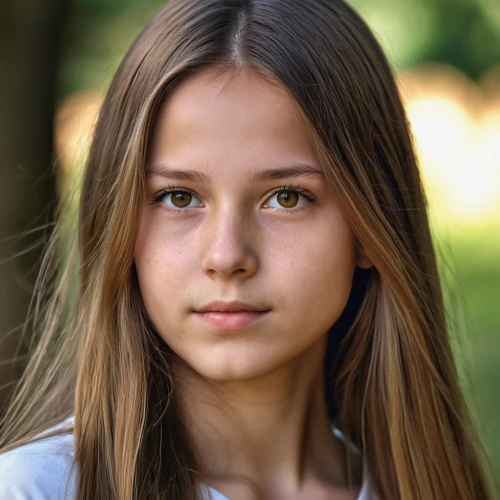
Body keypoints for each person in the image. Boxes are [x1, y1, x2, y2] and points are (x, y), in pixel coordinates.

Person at [0, 0, 496, 499]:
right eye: (179, 198)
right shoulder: (35, 490)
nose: (226, 256)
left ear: (370, 226)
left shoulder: (428, 487)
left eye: (286, 198)